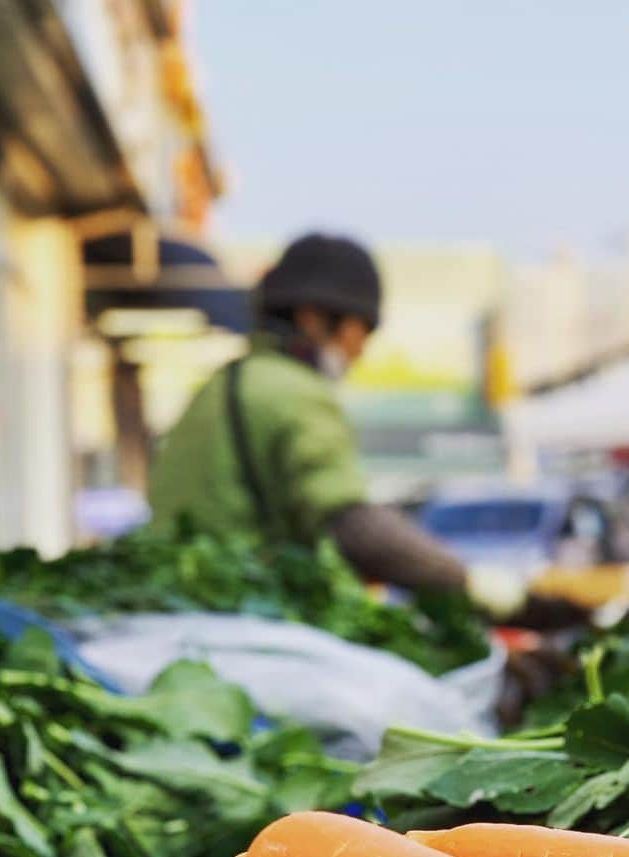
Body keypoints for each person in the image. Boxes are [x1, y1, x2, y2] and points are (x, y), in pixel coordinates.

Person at [149, 232, 524, 615]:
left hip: (186, 603)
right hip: (238, 615)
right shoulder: (292, 391)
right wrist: (466, 581)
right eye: (359, 331)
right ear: (312, 319)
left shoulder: (224, 382)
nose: (361, 350)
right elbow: (351, 525)